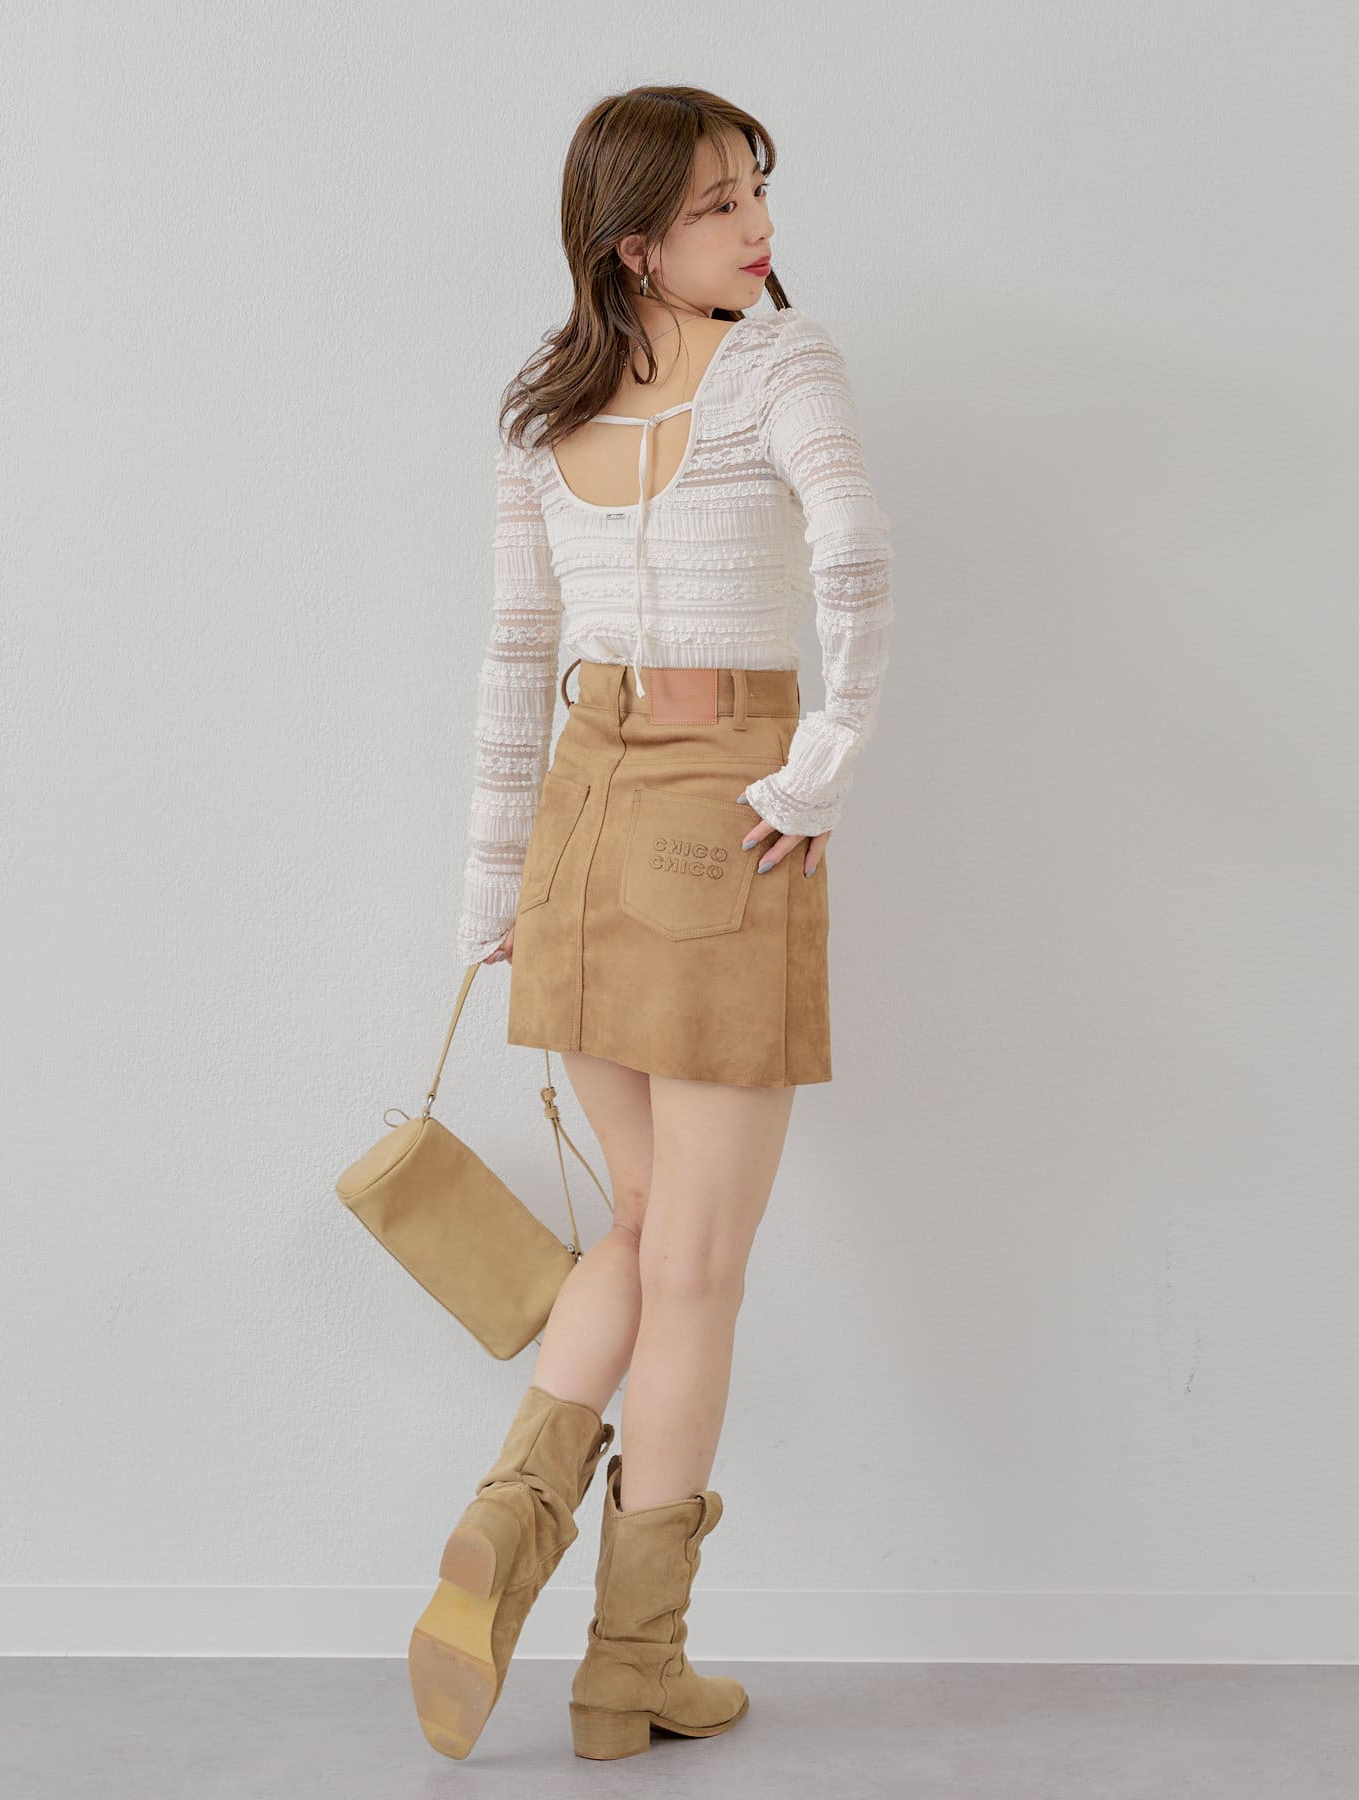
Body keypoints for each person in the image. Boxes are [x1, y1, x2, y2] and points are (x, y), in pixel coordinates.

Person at [411, 84, 894, 1763]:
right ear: (633, 244)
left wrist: (495, 887)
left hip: (581, 823)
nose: (758, 227)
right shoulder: (780, 365)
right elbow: (857, 560)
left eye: (757, 188)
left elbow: (514, 656)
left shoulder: (542, 404)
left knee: (638, 1223)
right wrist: (817, 769)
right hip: (714, 816)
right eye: (716, 205)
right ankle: (631, 1667)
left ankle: (507, 1517)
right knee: (697, 1259)